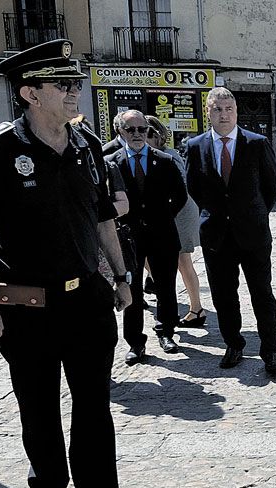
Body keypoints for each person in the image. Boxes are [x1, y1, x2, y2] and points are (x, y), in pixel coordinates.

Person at [0, 39, 147, 488]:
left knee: (94, 407)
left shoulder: (86, 146)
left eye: (75, 83)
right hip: (26, 305)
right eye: (64, 85)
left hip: (87, 300)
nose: (75, 91)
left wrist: (122, 279)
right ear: (31, 93)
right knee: (37, 403)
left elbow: (104, 220)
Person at [184, 87, 276, 373]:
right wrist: (216, 213)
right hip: (216, 235)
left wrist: (253, 212)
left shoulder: (256, 143)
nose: (223, 114)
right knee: (224, 295)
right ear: (208, 112)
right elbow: (194, 188)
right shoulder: (196, 146)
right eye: (217, 109)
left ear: (236, 112)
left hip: (252, 234)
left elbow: (272, 185)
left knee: (262, 294)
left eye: (228, 109)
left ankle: (270, 351)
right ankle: (234, 344)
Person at [107, 110, 188, 365]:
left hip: (162, 234)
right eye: (130, 130)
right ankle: (135, 342)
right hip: (128, 237)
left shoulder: (164, 161)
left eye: (142, 129)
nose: (138, 135)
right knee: (132, 288)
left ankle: (166, 332)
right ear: (120, 131)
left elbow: (181, 195)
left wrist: (164, 216)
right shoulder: (111, 162)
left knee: (165, 286)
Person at [145, 115, 206, 328]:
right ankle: (162, 289)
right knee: (151, 257)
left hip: (179, 212)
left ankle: (196, 308)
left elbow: (181, 188)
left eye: (145, 133)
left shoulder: (168, 156)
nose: (140, 137)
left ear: (155, 135)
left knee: (182, 260)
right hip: (164, 213)